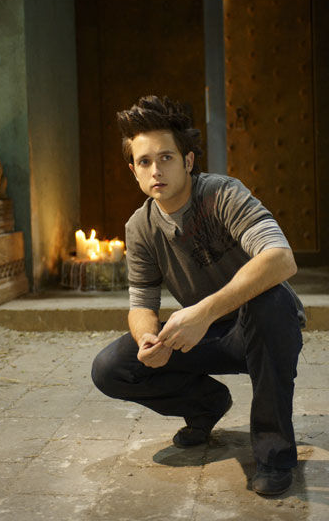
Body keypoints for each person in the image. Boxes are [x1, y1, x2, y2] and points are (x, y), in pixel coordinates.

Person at [91, 95, 304, 496]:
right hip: (203, 336)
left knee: (271, 301)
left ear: (188, 161)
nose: (156, 170)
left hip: (260, 329)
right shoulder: (140, 227)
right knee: (111, 367)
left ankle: (274, 455)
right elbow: (141, 305)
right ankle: (206, 405)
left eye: (166, 158)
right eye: (144, 162)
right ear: (134, 170)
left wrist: (203, 312)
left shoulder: (222, 193)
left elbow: (281, 258)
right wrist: (147, 339)